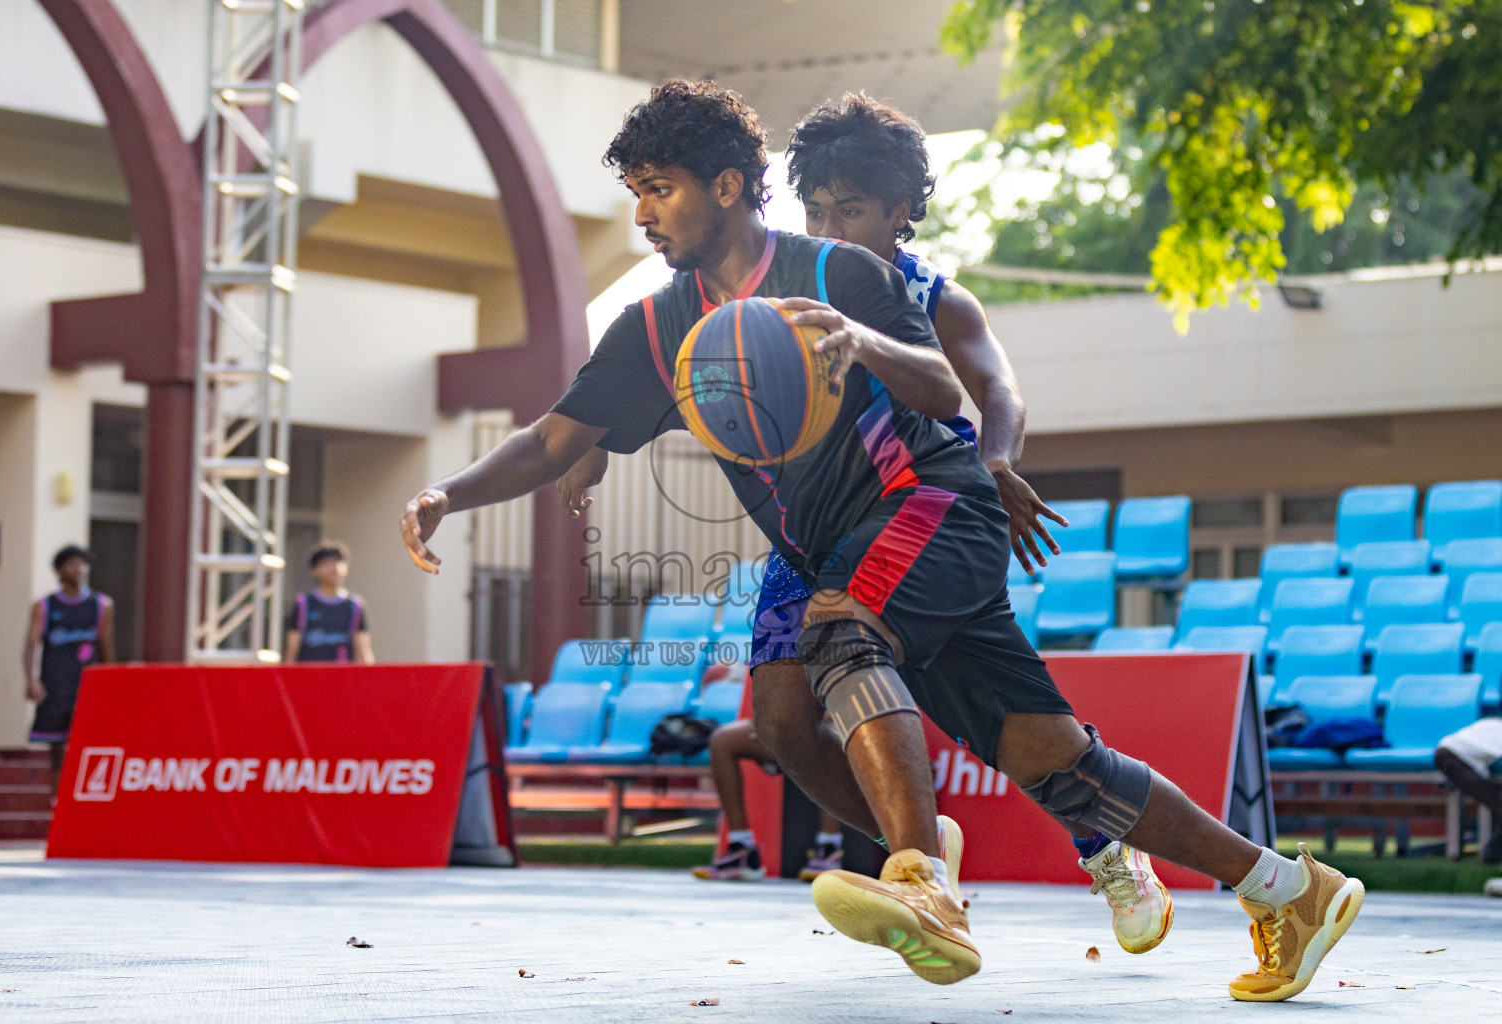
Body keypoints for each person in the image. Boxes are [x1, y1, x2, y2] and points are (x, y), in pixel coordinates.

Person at [399, 79, 1363, 1001]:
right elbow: (552, 439)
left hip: (931, 502)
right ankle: (1289, 889)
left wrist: (862, 342)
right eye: (636, 193)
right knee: (1050, 762)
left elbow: (948, 391)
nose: (643, 214)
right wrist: (450, 491)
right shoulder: (653, 329)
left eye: (660, 189)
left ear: (727, 186)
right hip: (837, 546)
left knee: (841, 629)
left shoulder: (837, 272)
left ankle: (922, 879)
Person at [564, 91, 1165, 954]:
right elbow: (694, 374)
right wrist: (596, 441)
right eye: (815, 209)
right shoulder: (779, 280)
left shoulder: (932, 296)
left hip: (920, 506)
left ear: (899, 212)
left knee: (1000, 720)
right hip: (814, 531)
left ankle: (1101, 846)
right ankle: (919, 860)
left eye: (849, 210)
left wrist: (999, 463)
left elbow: (996, 388)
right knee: (779, 722)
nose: (829, 226)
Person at [692, 716, 848, 882]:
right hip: (785, 730)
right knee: (722, 739)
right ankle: (741, 848)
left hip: (825, 726)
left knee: (830, 733)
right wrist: (767, 724)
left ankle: (829, 848)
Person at [23, 544, 113, 795]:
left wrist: (109, 686)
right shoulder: (45, 605)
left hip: (87, 685)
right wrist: (31, 680)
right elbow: (30, 646)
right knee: (57, 750)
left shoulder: (102, 605)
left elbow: (106, 649)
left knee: (88, 744)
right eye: (73, 563)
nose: (79, 568)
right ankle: (57, 801)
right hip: (55, 684)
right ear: (59, 571)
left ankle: (83, 799)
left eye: (83, 563)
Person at [284, 541, 375, 664]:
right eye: (326, 563)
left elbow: (363, 653)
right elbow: (291, 654)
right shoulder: (303, 604)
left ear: (347, 567)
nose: (334, 568)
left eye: (338, 562)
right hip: (310, 675)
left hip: (343, 675)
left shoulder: (355, 605)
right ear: (315, 570)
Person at [1435, 719, 1502, 866]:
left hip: (1447, 752)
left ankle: (1492, 853)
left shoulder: (1487, 723)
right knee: (1497, 805)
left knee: (1496, 804)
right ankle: (1492, 853)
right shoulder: (1495, 729)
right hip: (1452, 757)